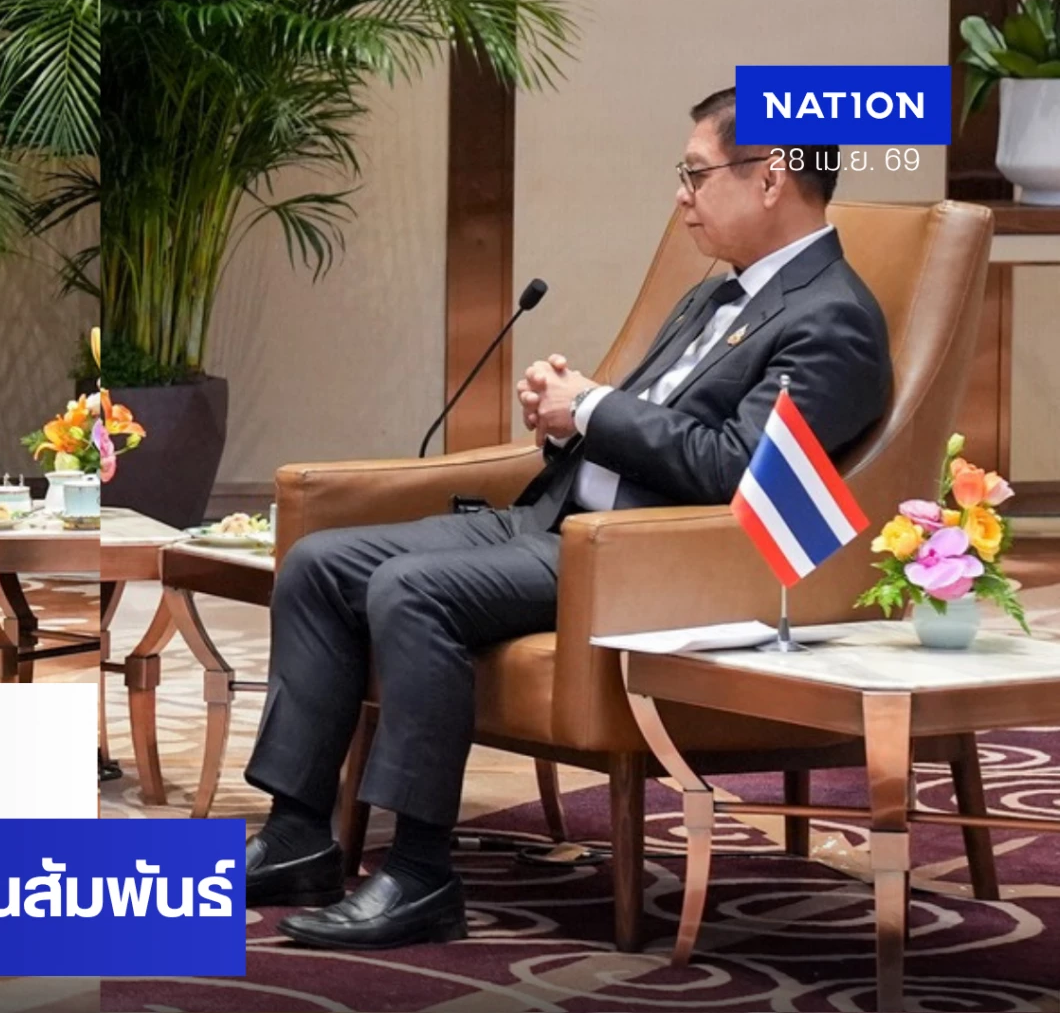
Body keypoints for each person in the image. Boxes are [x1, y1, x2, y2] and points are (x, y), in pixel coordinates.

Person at [241, 87, 892, 950]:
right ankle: (297, 836)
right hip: (554, 520)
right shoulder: (713, 296)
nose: (680, 195)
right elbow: (650, 422)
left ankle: (420, 875)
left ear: (771, 177)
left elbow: (736, 471)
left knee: (411, 589)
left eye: (695, 174)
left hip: (641, 560)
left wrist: (592, 408)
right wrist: (564, 417)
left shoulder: (834, 319)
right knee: (319, 563)